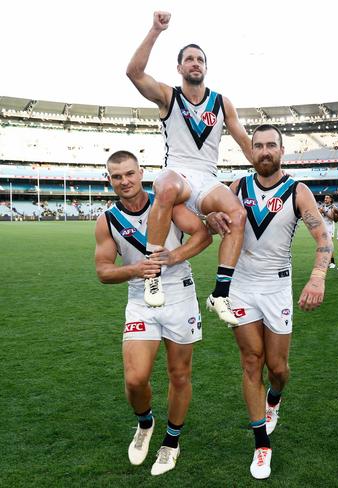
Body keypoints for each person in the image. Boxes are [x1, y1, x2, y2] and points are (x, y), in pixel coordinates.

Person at [207, 125, 332, 478]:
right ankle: (262, 446)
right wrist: (210, 217)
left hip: (277, 288)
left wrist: (318, 276)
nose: (264, 151)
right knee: (251, 361)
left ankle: (274, 399)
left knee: (277, 368)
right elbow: (209, 220)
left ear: (281, 151)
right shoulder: (237, 188)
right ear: (251, 151)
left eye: (270, 145)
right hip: (241, 286)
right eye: (258, 145)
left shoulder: (298, 191)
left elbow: (323, 238)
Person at [126, 11, 250, 324]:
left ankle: (220, 294)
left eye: (200, 60)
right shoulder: (170, 96)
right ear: (180, 67)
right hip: (177, 173)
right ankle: (152, 270)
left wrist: (273, 169)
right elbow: (134, 73)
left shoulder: (222, 103)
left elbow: (246, 144)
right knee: (165, 186)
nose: (195, 63)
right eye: (189, 59)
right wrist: (155, 30)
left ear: (206, 68)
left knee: (237, 215)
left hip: (207, 178)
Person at [94, 151, 212, 475]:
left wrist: (174, 257)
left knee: (179, 374)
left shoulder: (168, 204)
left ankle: (171, 442)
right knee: (135, 379)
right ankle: (145, 423)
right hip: (140, 296)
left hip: (179, 293)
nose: (125, 181)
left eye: (130, 173)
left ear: (141, 172)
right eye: (117, 176)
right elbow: (103, 271)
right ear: (109, 179)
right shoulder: (107, 220)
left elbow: (204, 235)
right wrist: (135, 269)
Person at [318, 194, 338, 269]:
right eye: (325, 198)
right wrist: (319, 212)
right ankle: (327, 262)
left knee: (329, 245)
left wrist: (324, 212)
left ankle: (332, 262)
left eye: (327, 198)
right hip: (323, 227)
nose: (325, 199)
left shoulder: (333, 207)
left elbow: (333, 218)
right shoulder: (323, 206)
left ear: (331, 199)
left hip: (330, 228)